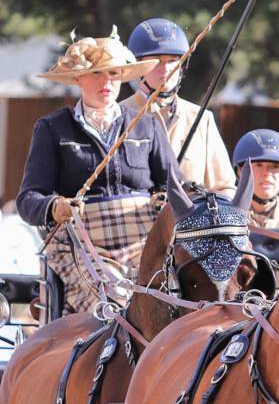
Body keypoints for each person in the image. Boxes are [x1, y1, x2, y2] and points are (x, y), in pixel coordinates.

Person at [17, 27, 181, 313]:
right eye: (96, 73)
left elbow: (178, 187)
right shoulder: (53, 128)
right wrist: (55, 207)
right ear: (78, 78)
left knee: (172, 300)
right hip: (80, 245)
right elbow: (28, 199)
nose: (106, 81)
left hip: (146, 242)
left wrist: (165, 199)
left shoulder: (147, 125)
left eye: (114, 73)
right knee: (114, 306)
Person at [122, 17, 236, 194]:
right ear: (139, 65)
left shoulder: (202, 119)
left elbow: (225, 188)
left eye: (172, 61)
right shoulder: (118, 116)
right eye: (156, 61)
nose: (166, 69)